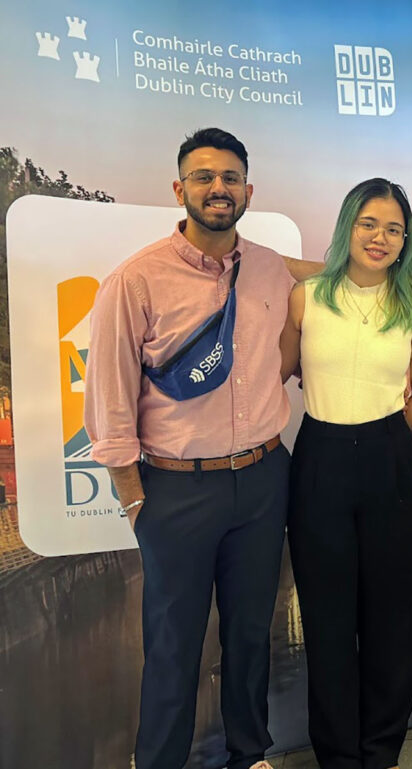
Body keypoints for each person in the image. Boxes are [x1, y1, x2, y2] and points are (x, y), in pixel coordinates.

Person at [83, 127, 295, 769]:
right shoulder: (135, 280)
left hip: (261, 479)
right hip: (174, 489)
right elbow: (109, 397)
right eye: (203, 177)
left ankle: (249, 753)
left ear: (248, 190)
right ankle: (159, 760)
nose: (218, 189)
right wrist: (133, 499)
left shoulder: (270, 270)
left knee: (251, 634)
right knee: (173, 644)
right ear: (179, 189)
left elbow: (329, 288)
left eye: (230, 178)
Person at [280, 178, 412, 769]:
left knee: (390, 613)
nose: (380, 237)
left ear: (405, 240)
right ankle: (339, 754)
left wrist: (383, 436)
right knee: (326, 615)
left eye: (394, 228)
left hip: (388, 456)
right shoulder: (309, 296)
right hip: (319, 455)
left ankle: (381, 750)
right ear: (349, 225)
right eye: (369, 223)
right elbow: (279, 370)